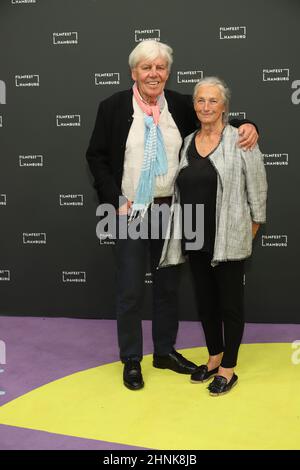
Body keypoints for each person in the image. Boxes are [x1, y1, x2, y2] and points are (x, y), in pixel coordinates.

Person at [86, 41, 258, 391]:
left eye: (160, 67)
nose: (154, 73)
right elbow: (96, 156)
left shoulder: (180, 104)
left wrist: (249, 124)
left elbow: (217, 117)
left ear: (168, 72)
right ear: (133, 72)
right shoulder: (113, 107)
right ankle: (132, 359)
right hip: (129, 210)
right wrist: (114, 199)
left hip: (175, 211)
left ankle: (164, 351)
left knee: (168, 287)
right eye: (146, 67)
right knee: (130, 289)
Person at [160, 76, 267, 396]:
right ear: (194, 106)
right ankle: (213, 356)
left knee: (230, 305)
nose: (206, 106)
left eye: (213, 101)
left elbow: (257, 188)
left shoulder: (241, 140)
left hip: (229, 238)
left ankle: (228, 368)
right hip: (195, 236)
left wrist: (252, 227)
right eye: (200, 101)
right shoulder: (188, 140)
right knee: (206, 303)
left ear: (224, 107)